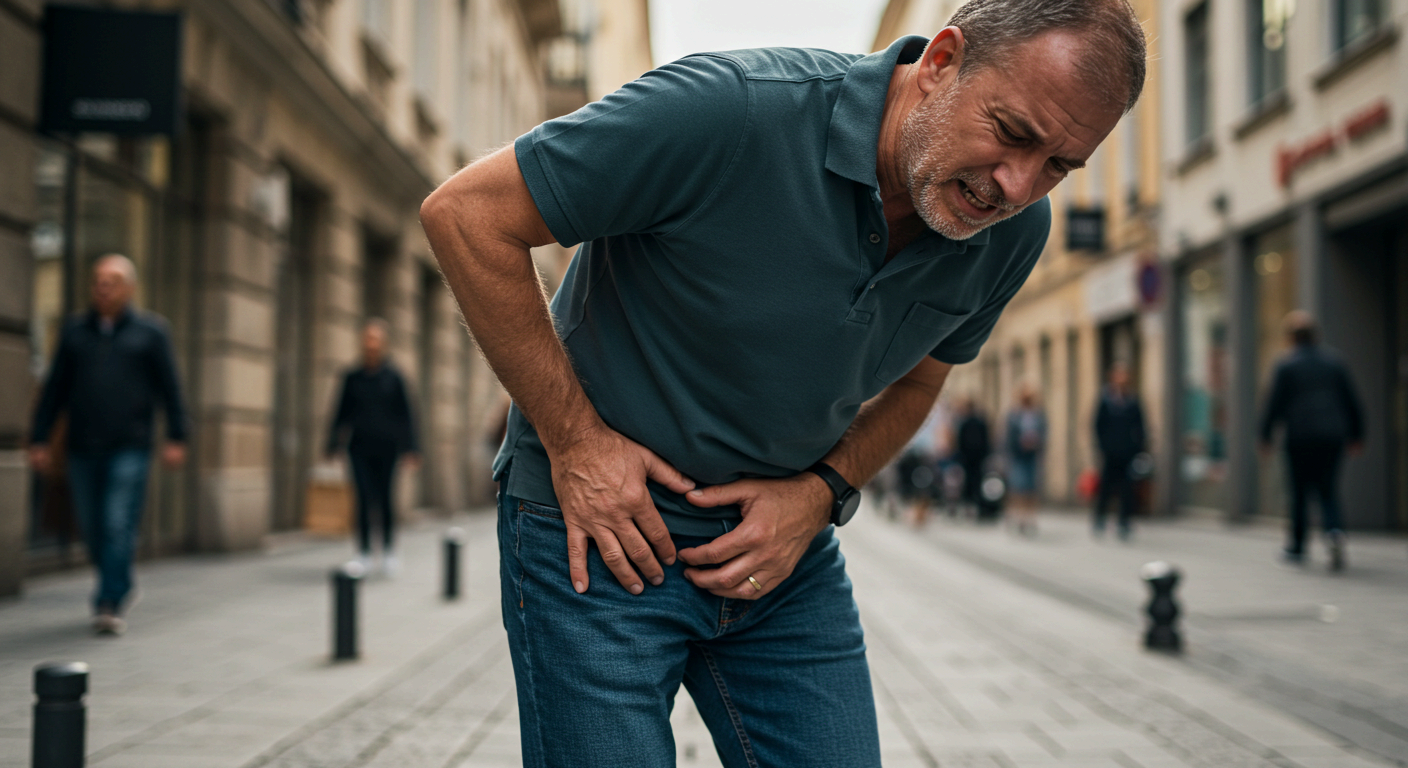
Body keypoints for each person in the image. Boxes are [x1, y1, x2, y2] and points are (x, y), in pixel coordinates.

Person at [419, 0, 1144, 762]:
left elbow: (921, 383)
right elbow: (467, 214)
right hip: (600, 531)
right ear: (940, 63)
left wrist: (822, 492)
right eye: (1013, 132)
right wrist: (576, 444)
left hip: (782, 557)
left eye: (1059, 165)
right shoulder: (730, 111)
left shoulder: (1013, 233)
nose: (1017, 185)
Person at [29, 254, 189, 635]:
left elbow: (171, 388)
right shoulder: (74, 332)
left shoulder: (151, 332)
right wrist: (39, 437)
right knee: (92, 527)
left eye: (113, 280)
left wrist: (178, 436)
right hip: (82, 446)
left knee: (117, 522)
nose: (104, 286)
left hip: (129, 446)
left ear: (130, 288)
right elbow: (55, 389)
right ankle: (118, 581)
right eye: (98, 279)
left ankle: (108, 600)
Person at [1259, 310, 1364, 570]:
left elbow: (1274, 404)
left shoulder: (1287, 365)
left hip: (1300, 436)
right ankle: (1334, 532)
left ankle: (1297, 545)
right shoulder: (1335, 363)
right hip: (1332, 436)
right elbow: (1352, 402)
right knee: (1328, 489)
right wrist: (1357, 435)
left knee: (1299, 491)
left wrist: (1265, 436)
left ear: (1291, 338)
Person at [326, 319, 420, 576]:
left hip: (388, 448)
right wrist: (332, 444)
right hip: (358, 448)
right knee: (363, 498)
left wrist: (411, 448)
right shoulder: (352, 377)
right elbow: (340, 411)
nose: (371, 343)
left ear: (383, 343)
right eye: (368, 338)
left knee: (385, 499)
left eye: (376, 339)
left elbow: (406, 415)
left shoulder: (394, 377)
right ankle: (364, 552)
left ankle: (389, 550)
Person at [1093, 362, 1146, 540]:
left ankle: (1124, 521)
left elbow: (1140, 425)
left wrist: (1138, 448)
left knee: (1126, 488)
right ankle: (1100, 518)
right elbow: (1097, 425)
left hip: (1127, 452)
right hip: (1110, 452)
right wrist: (1103, 446)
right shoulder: (1106, 400)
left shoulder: (1132, 400)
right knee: (1106, 486)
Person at [1005, 385, 1046, 536]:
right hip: (1018, 455)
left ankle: (1030, 517)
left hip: (1032, 455)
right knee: (1018, 486)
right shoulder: (1014, 415)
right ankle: (1018, 516)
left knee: (1031, 487)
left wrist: (1036, 443)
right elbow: (1008, 436)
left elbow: (1044, 433)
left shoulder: (1038, 414)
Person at [955, 398, 994, 513]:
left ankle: (972, 505)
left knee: (972, 482)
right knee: (975, 481)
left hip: (970, 458)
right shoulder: (975, 422)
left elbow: (960, 442)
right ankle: (975, 505)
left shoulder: (966, 423)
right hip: (975, 457)